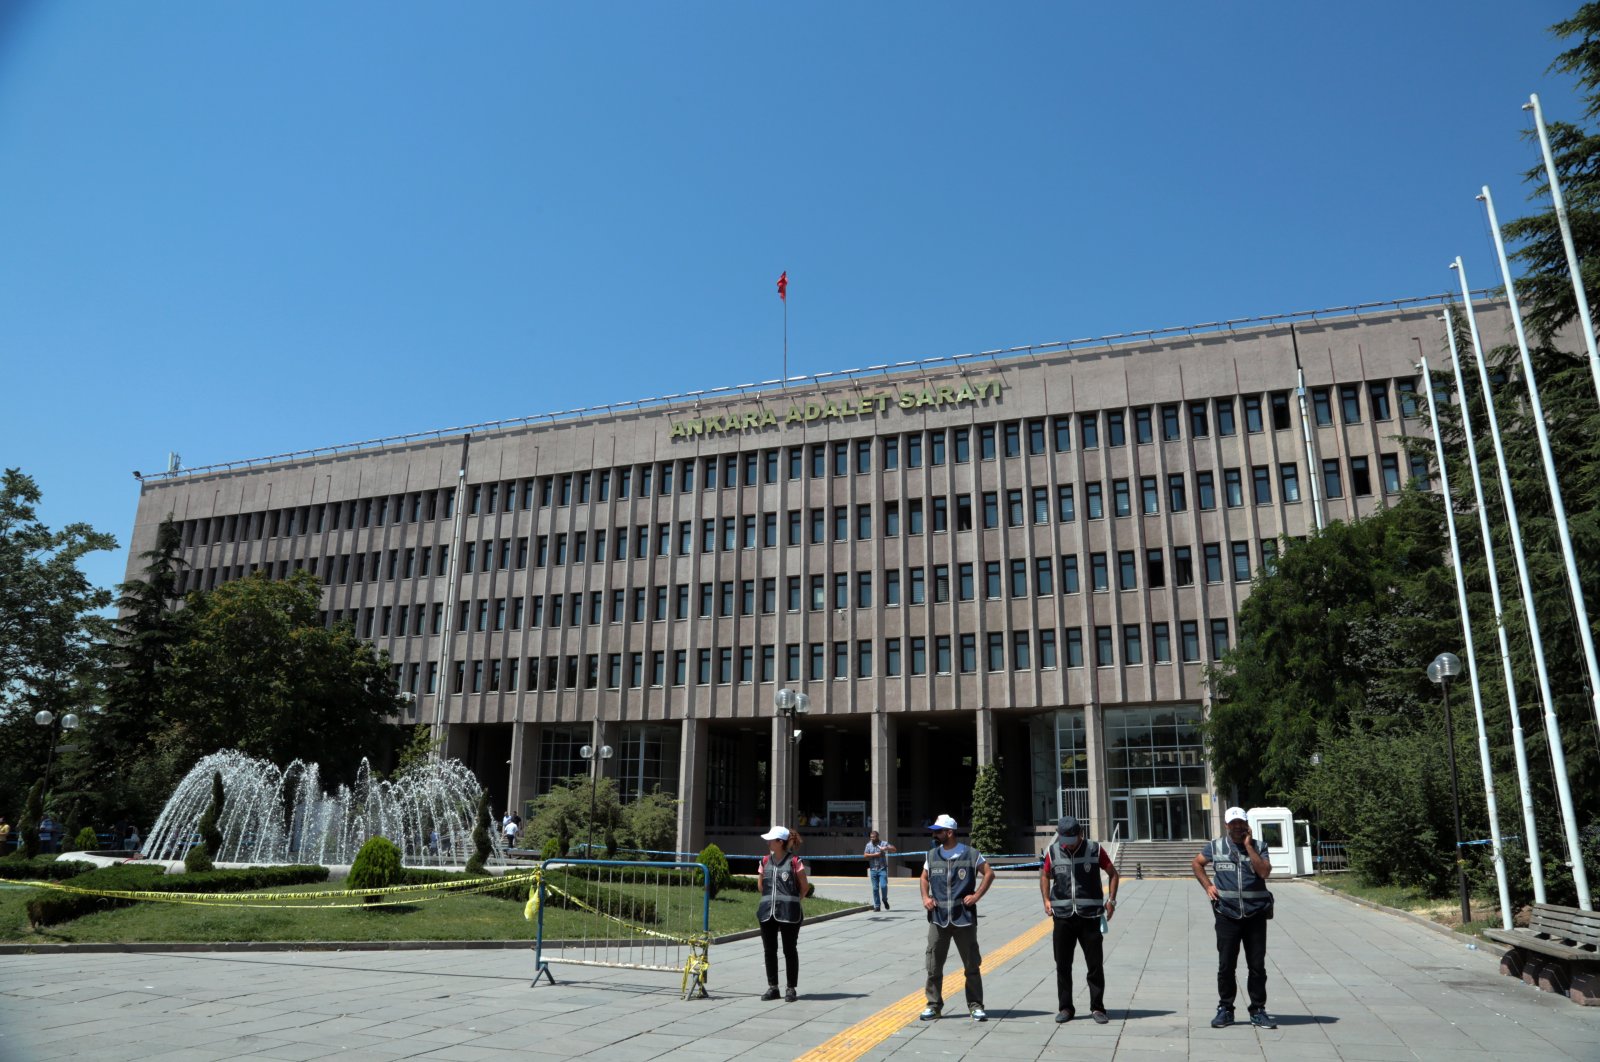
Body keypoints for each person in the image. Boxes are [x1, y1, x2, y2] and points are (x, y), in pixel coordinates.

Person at [1192, 807, 1277, 1030]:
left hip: (1255, 914)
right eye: (1233, 823)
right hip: (1226, 914)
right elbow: (1197, 863)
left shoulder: (1259, 846)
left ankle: (1258, 1010)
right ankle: (1225, 1009)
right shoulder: (1216, 846)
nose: (1237, 827)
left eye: (1241, 823)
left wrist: (1249, 846)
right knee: (1226, 965)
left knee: (1257, 966)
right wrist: (1208, 885)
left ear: (1246, 824)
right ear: (1227, 825)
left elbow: (1264, 872)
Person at [1039, 814, 1119, 1024]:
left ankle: (1097, 1008)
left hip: (1090, 917)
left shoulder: (1095, 849)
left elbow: (1113, 873)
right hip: (1063, 918)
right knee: (1063, 965)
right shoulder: (1054, 851)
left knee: (1094, 965)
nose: (1066, 844)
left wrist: (1111, 901)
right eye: (1063, 839)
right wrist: (1046, 899)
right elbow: (1045, 875)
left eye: (1070, 839)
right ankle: (1066, 1008)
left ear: (1080, 834)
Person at [918, 813, 995, 1022]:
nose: (935, 834)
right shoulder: (932, 855)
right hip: (938, 918)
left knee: (971, 964)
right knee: (933, 965)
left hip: (964, 918)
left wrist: (976, 895)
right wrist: (925, 897)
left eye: (938, 831)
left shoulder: (971, 854)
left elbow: (989, 873)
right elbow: (924, 878)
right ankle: (934, 1005)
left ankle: (976, 1005)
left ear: (949, 832)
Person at [756, 825, 807, 1002]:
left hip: (789, 914)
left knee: (789, 950)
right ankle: (773, 987)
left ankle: (791, 988)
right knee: (769, 950)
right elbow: (761, 886)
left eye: (771, 839)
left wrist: (793, 901)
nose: (768, 842)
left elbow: (804, 887)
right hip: (766, 913)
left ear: (780, 842)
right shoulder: (764, 861)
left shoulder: (794, 861)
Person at [864, 829, 896, 911]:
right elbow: (865, 855)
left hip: (882, 869)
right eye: (871, 837)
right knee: (875, 888)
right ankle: (877, 906)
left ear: (877, 837)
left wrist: (886, 848)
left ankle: (884, 900)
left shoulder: (883, 843)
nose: (872, 839)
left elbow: (894, 849)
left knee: (883, 886)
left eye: (873, 837)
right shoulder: (868, 845)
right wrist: (875, 855)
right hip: (873, 870)